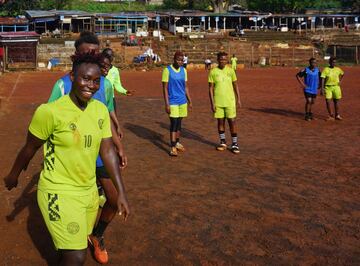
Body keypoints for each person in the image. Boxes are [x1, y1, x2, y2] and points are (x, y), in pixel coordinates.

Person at [4, 53, 130, 266]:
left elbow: (107, 151)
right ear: (72, 77)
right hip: (57, 190)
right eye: (85, 78)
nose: (90, 85)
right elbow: (30, 148)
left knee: (73, 246)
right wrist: (13, 175)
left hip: (88, 191)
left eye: (96, 80)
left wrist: (121, 193)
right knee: (76, 256)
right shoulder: (50, 112)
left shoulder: (99, 110)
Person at [48, 32, 127, 264]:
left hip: (100, 153)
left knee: (114, 199)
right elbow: (50, 121)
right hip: (72, 158)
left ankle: (97, 235)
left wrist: (119, 145)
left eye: (94, 51)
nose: (91, 55)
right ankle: (68, 244)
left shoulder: (106, 84)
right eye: (85, 52)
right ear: (76, 54)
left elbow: (105, 118)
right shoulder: (62, 85)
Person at [209, 52, 241, 154]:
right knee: (220, 122)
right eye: (221, 59)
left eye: (225, 59)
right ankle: (223, 142)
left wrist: (238, 99)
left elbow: (235, 85)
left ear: (227, 60)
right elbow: (210, 89)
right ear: (218, 60)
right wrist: (212, 103)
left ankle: (234, 144)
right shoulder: (213, 72)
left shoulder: (231, 71)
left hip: (230, 101)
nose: (223, 61)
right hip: (218, 102)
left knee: (232, 122)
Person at [162, 51, 193, 156]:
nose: (180, 62)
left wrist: (189, 99)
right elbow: (165, 88)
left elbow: (185, 86)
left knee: (179, 123)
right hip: (172, 101)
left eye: (181, 60)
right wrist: (167, 103)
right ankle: (173, 146)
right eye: (178, 60)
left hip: (182, 101)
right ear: (174, 59)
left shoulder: (184, 70)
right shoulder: (167, 70)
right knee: (174, 123)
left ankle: (178, 142)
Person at [102, 48, 133, 114]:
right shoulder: (98, 68)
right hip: (99, 98)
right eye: (108, 56)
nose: (110, 58)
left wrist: (125, 91)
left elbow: (117, 85)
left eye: (111, 56)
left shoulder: (115, 70)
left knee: (112, 119)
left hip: (110, 99)